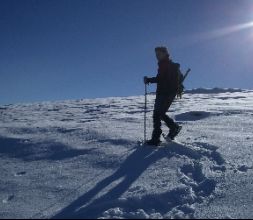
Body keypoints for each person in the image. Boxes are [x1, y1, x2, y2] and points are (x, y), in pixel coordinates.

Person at [144, 46, 182, 146]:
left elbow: (161, 79)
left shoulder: (167, 64)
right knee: (158, 114)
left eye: (159, 54)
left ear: (165, 53)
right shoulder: (163, 64)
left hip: (167, 93)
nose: (157, 56)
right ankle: (167, 131)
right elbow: (160, 78)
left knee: (159, 113)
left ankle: (170, 130)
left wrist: (149, 80)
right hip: (163, 93)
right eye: (156, 54)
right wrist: (150, 80)